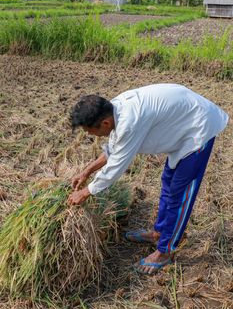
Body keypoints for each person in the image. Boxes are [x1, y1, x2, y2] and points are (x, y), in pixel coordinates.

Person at [68, 84, 229, 275]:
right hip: (182, 126)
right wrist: (86, 172)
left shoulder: (129, 121)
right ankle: (159, 233)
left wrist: (86, 192)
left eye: (88, 131)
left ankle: (165, 251)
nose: (89, 135)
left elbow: (116, 166)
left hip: (198, 128)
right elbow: (114, 149)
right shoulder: (115, 110)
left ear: (104, 123)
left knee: (180, 195)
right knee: (168, 183)